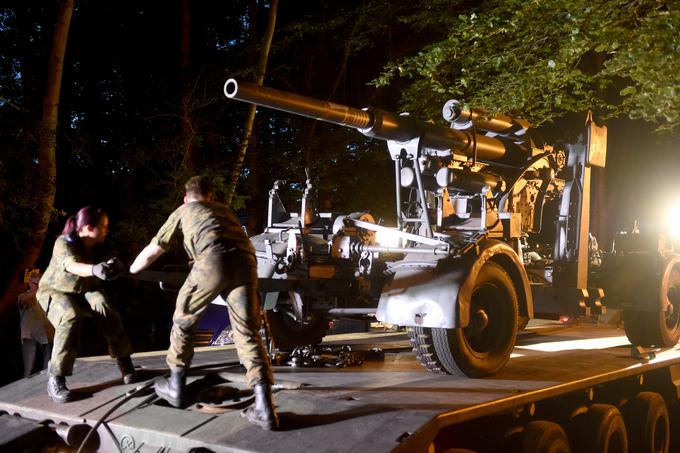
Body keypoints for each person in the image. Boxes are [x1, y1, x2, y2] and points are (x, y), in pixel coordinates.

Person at [129, 176, 278, 430]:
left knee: (184, 318)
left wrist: (131, 270)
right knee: (247, 332)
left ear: (187, 197)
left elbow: (155, 249)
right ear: (211, 197)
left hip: (212, 260)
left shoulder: (185, 209)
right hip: (246, 264)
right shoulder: (226, 212)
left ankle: (176, 384)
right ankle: (265, 407)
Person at [37, 206, 136, 403]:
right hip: (55, 291)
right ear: (89, 227)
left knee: (105, 308)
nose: (107, 230)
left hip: (85, 291)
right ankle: (56, 378)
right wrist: (94, 269)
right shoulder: (64, 243)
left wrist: (114, 266)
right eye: (104, 226)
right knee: (70, 316)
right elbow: (71, 266)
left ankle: (125, 365)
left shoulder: (100, 247)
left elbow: (110, 262)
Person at [18, 269, 54, 377]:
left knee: (49, 368)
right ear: (29, 283)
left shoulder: (45, 294)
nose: (39, 284)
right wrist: (40, 287)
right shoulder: (22, 296)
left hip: (47, 334)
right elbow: (24, 300)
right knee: (29, 369)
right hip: (30, 335)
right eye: (36, 282)